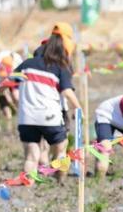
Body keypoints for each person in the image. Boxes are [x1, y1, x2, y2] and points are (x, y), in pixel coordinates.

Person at [12, 22, 81, 177]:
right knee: (61, 147)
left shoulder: (26, 64)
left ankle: (28, 190)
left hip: (26, 117)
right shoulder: (59, 65)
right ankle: (60, 182)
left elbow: (7, 84)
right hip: (49, 116)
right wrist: (78, 108)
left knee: (31, 155)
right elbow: (67, 91)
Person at [0, 50, 23, 125]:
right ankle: (9, 117)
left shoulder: (18, 63)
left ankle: (21, 114)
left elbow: (20, 82)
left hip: (17, 75)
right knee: (2, 96)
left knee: (16, 96)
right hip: (1, 82)